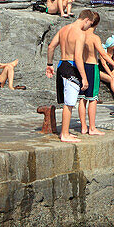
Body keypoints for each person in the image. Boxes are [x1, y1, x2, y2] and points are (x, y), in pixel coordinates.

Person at [46, 9, 96, 143]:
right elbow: (78, 57)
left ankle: (65, 132)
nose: (88, 28)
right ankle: (64, 133)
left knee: (67, 103)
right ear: (86, 20)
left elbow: (51, 47)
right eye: (89, 24)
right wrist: (84, 78)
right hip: (71, 68)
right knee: (69, 104)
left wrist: (49, 64)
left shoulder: (64, 29)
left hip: (61, 65)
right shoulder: (80, 34)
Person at [78, 14, 114, 135]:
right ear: (96, 24)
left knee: (82, 98)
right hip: (92, 67)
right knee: (92, 98)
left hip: (81, 66)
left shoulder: (81, 34)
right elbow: (104, 54)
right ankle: (92, 127)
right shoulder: (94, 37)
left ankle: (83, 127)